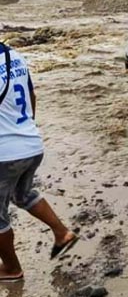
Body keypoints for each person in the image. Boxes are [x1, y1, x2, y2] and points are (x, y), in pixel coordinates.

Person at [0, 43, 78, 282]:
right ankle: (62, 233)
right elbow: (32, 96)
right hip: (31, 144)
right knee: (22, 195)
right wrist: (24, 130)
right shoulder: (14, 56)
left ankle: (12, 269)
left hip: (4, 153)